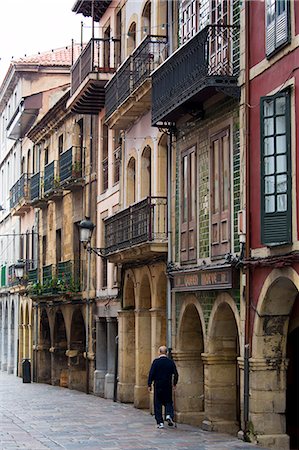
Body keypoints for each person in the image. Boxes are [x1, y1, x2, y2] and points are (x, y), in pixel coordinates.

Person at [148, 345, 179, 429]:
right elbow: (176, 374)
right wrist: (174, 383)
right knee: (168, 401)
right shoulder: (170, 362)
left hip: (158, 385)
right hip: (167, 385)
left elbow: (151, 374)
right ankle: (169, 415)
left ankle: (160, 422)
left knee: (157, 403)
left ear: (159, 352)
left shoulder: (156, 362)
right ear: (167, 352)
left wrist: (149, 384)